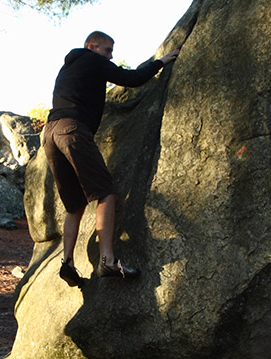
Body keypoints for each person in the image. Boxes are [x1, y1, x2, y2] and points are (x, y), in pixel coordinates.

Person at [42, 31, 179, 286]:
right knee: (105, 193)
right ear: (92, 46)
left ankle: (68, 263)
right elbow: (132, 78)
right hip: (73, 130)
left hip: (50, 133)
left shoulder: (70, 66)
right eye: (107, 50)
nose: (111, 56)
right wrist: (162, 61)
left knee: (75, 204)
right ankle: (108, 261)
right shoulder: (92, 60)